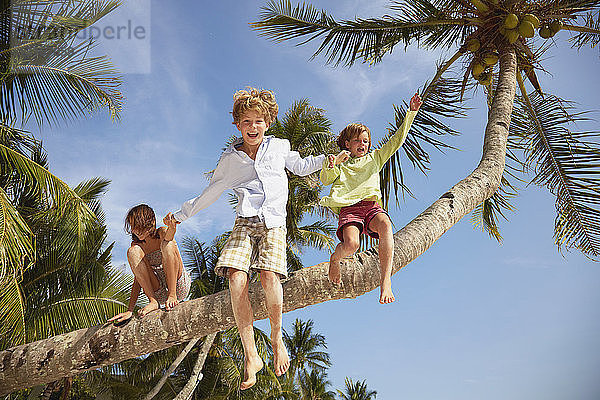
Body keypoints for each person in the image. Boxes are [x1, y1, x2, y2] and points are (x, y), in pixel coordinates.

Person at [165, 87, 329, 390]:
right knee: (236, 278)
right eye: (246, 122)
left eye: (258, 121)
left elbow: (302, 166)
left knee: (269, 276)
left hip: (274, 223)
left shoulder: (280, 146)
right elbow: (210, 193)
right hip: (245, 220)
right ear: (237, 125)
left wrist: (328, 159)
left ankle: (278, 340)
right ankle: (251, 355)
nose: (252, 127)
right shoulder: (230, 159)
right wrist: (179, 216)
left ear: (267, 122)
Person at [320, 92, 423, 304]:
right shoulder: (341, 164)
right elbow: (325, 179)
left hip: (372, 207)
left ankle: (386, 281)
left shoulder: (375, 158)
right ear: (347, 143)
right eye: (357, 140)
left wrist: (411, 113)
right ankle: (335, 258)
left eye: (365, 141)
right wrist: (334, 163)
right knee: (351, 245)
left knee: (386, 225)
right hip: (349, 210)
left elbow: (397, 140)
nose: (362, 144)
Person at [108, 204, 191, 325]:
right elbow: (139, 278)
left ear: (151, 222)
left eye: (138, 225)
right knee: (133, 251)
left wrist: (172, 226)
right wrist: (130, 310)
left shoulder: (161, 232)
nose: (135, 230)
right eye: (132, 226)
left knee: (168, 244)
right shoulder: (137, 245)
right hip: (159, 293)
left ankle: (172, 294)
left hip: (178, 286)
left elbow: (169, 236)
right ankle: (153, 302)